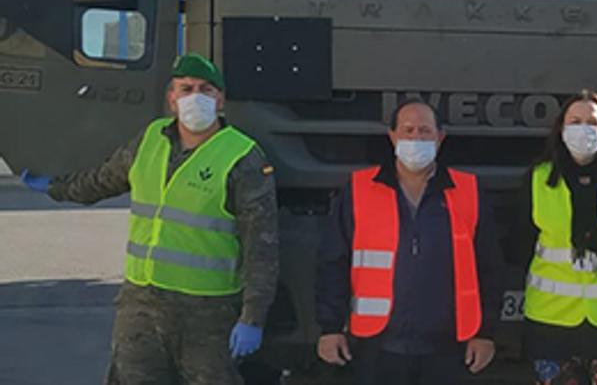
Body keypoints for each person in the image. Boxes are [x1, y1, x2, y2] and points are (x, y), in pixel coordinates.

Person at [20, 53, 278, 385]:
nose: (195, 97)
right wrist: (56, 187)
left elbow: (262, 248)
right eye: (185, 89)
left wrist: (252, 318)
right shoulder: (150, 140)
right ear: (171, 97)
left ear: (221, 99)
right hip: (141, 306)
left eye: (206, 90)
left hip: (207, 314)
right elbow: (101, 180)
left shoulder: (242, 157)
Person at [315, 98, 504, 384]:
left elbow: (489, 268)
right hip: (376, 347)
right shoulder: (359, 190)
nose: (416, 138)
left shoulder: (468, 191)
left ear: (440, 137)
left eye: (425, 131)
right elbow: (333, 262)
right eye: (408, 130)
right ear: (392, 136)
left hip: (447, 349)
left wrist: (485, 333)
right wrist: (330, 328)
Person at [516, 90, 597, 385]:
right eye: (575, 121)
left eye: (593, 122)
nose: (584, 129)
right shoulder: (537, 180)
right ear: (561, 129)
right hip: (552, 327)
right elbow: (520, 244)